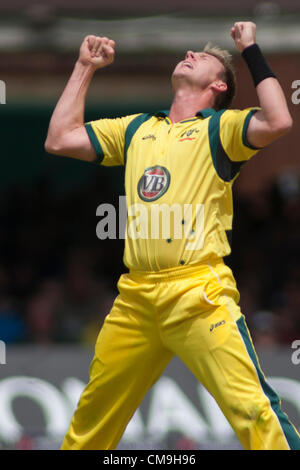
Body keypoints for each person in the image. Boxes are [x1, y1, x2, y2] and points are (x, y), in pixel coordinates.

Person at [45, 21, 300, 450]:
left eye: (206, 58)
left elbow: (278, 120)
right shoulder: (137, 128)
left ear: (219, 85)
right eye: (192, 52)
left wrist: (250, 49)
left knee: (253, 411)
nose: (191, 53)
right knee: (91, 423)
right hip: (136, 298)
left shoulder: (221, 129)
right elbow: (59, 139)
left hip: (198, 294)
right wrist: (85, 67)